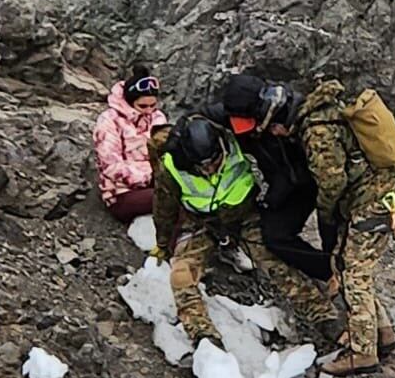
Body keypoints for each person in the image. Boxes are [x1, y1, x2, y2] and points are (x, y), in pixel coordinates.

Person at [148, 113, 341, 351]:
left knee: (273, 262)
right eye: (202, 166)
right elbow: (163, 207)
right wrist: (164, 242)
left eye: (214, 161)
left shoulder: (236, 140)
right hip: (203, 224)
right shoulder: (172, 167)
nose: (210, 169)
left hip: (246, 215)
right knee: (181, 273)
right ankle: (204, 336)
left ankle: (324, 317)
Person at [292, 79, 395, 377]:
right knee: (356, 269)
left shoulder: (317, 130)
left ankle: (362, 352)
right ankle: (383, 333)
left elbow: (332, 182)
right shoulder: (334, 109)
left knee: (352, 273)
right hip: (387, 195)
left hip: (371, 203)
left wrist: (326, 214)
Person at [211, 74, 335, 283]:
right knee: (275, 237)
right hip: (290, 187)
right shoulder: (241, 110)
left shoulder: (302, 120)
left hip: (323, 187)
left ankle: (340, 273)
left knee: (334, 242)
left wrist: (328, 211)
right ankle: (326, 272)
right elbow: (205, 115)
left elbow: (327, 178)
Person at [94, 65, 168, 222]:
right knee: (169, 200)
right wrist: (150, 174)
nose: (149, 111)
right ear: (129, 101)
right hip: (121, 193)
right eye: (143, 106)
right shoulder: (109, 121)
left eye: (153, 105)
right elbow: (112, 166)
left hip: (157, 182)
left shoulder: (157, 117)